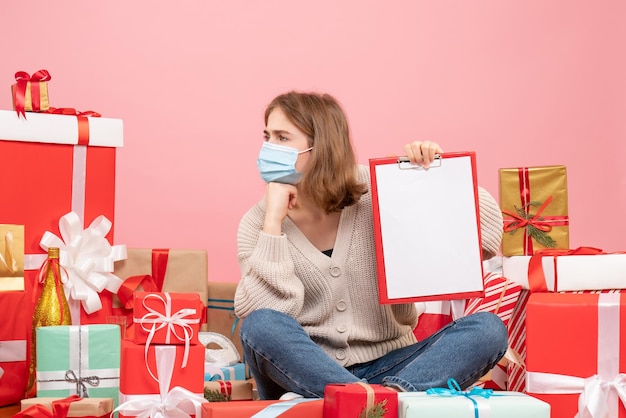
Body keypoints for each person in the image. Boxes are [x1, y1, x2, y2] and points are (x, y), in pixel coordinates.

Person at [234, 91, 508, 400]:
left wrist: (436, 175)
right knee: (260, 325)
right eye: (267, 136)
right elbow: (268, 316)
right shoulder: (257, 222)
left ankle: (372, 401)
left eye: (282, 138)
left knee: (488, 329)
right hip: (306, 372)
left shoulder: (376, 187)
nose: (268, 148)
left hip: (394, 366)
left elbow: (484, 239)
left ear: (320, 146)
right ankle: (378, 402)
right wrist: (273, 224)